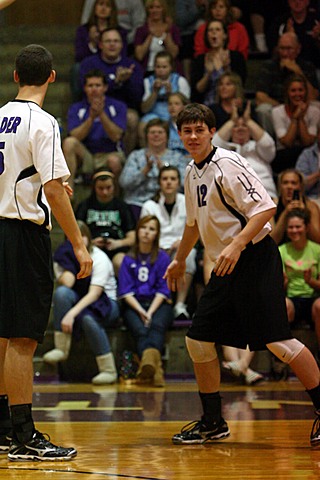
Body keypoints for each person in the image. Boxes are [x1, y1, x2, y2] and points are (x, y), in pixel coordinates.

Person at [164, 102, 320, 447]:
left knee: (279, 343)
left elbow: (266, 206)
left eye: (199, 130)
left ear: (211, 131)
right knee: (197, 340)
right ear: (179, 135)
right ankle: (213, 421)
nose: (192, 136)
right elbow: (192, 225)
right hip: (226, 262)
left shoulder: (228, 163)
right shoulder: (191, 172)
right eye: (186, 131)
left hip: (254, 258)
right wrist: (179, 260)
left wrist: (236, 244)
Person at [0, 44, 92, 461]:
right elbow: (54, 189)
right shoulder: (44, 122)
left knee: (2, 335)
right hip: (21, 235)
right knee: (22, 338)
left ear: (16, 76)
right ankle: (23, 435)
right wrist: (78, 243)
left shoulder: (0, 115)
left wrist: (36, 188)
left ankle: (4, 428)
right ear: (52, 78)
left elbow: (33, 180)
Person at [43, 220, 119, 384]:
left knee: (87, 319)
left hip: (106, 303)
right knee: (62, 293)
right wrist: (66, 259)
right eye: (72, 235)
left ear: (89, 238)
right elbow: (69, 283)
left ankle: (108, 370)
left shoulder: (99, 257)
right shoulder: (63, 256)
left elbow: (94, 294)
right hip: (80, 300)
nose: (78, 239)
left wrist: (71, 314)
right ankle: (61, 349)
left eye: (82, 235)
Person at [118, 215, 174, 387]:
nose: (146, 232)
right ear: (137, 231)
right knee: (141, 331)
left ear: (156, 234)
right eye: (143, 228)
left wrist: (150, 312)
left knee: (156, 327)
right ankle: (156, 371)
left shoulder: (163, 258)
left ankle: (149, 365)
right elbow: (125, 291)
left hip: (159, 303)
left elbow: (164, 289)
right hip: (134, 305)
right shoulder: (128, 259)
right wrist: (141, 311)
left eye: (151, 229)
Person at [141, 165, 197, 319]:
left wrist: (182, 242)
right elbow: (143, 234)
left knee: (190, 255)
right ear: (159, 182)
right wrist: (158, 248)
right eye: (165, 179)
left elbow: (196, 230)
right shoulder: (149, 206)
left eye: (173, 179)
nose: (169, 182)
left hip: (181, 248)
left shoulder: (188, 202)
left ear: (179, 182)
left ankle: (180, 305)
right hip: (155, 249)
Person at [79, 28, 144, 155]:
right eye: (108, 41)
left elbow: (137, 98)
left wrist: (126, 81)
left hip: (122, 108)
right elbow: (84, 90)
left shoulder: (132, 65)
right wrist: (115, 82)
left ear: (122, 45)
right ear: (101, 45)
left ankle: (125, 158)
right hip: (91, 105)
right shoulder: (88, 63)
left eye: (116, 41)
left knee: (132, 118)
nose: (112, 44)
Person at [63, 69, 127, 191]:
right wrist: (91, 118)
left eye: (98, 85)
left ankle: (116, 197)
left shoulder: (118, 106)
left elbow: (117, 136)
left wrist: (101, 114)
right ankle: (69, 190)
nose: (94, 89)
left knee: (114, 161)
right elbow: (74, 136)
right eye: (90, 86)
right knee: (69, 143)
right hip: (87, 155)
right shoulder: (76, 108)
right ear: (85, 88)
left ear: (105, 88)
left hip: (110, 152)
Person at [119, 118, 188, 221]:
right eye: (152, 132)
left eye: (160, 132)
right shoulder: (136, 156)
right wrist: (145, 171)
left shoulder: (177, 157)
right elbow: (124, 183)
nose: (156, 135)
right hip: (137, 204)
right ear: (146, 136)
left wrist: (165, 171)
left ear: (167, 136)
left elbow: (186, 184)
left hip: (168, 204)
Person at [255, 32, 319, 136]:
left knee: (317, 106)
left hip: (303, 108)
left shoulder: (307, 66)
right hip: (277, 107)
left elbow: (313, 97)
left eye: (289, 49)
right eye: (282, 49)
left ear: (298, 49)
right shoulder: (268, 66)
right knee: (263, 110)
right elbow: (260, 96)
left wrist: (298, 72)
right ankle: (270, 145)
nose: (285, 53)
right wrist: (283, 110)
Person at [212, 100, 278, 199]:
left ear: (250, 130)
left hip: (264, 196)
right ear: (230, 131)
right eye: (236, 126)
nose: (240, 129)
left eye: (244, 126)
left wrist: (249, 120)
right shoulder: (224, 150)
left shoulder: (257, 147)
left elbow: (268, 145)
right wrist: (232, 121)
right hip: (232, 201)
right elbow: (212, 145)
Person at [76, 170, 136, 275]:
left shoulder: (122, 206)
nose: (105, 192)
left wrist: (118, 243)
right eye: (101, 188)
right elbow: (75, 233)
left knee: (120, 262)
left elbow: (133, 237)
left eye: (108, 188)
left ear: (114, 187)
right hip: (90, 249)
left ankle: (122, 290)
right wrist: (91, 243)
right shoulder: (84, 206)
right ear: (94, 188)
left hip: (117, 248)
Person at [279, 210, 320, 336]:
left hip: (312, 298)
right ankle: (283, 353)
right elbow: (278, 288)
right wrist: (284, 282)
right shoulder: (281, 250)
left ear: (306, 227)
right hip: (291, 298)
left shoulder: (317, 250)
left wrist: (310, 281)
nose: (294, 230)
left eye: (298, 227)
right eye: (290, 227)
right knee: (283, 305)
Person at [191, 19, 247, 108]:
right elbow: (197, 90)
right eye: (210, 30)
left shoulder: (236, 57)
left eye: (217, 30)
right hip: (207, 105)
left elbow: (239, 85)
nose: (214, 33)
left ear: (224, 35)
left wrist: (226, 69)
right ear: (207, 36)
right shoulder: (200, 59)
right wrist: (208, 74)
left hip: (231, 105)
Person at [271, 73, 320, 175]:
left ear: (306, 92)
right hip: (284, 155)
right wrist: (294, 118)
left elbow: (308, 142)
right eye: (293, 91)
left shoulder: (314, 111)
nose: (297, 94)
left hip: (308, 154)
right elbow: (287, 142)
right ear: (287, 93)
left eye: (300, 90)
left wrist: (301, 117)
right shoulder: (277, 112)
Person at [139, 51, 191, 146]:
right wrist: (154, 92)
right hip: (154, 114)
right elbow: (144, 109)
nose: (161, 70)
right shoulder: (148, 81)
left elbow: (187, 105)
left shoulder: (180, 80)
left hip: (174, 114)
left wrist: (171, 94)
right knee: (142, 125)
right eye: (158, 67)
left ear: (171, 67)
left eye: (164, 67)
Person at [271, 169, 320, 245]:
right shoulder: (272, 205)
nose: (289, 187)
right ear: (280, 186)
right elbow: (272, 241)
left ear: (300, 186)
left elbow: (317, 240)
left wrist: (305, 214)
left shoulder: (311, 206)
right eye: (285, 183)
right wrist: (285, 213)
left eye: (293, 183)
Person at [134, 0, 181, 76]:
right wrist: (150, 35)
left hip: (169, 72)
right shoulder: (141, 31)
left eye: (158, 7)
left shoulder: (173, 29)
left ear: (164, 9)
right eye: (151, 7)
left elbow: (173, 54)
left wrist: (167, 32)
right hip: (148, 71)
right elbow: (139, 55)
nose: (154, 10)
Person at [81, 0, 146, 54]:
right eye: (100, 4)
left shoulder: (121, 32)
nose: (103, 8)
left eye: (107, 6)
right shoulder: (83, 30)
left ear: (112, 10)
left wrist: (120, 41)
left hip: (127, 45)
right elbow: (80, 56)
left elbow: (139, 25)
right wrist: (92, 43)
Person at [296, 127, 320, 202]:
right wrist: (318, 174)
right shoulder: (307, 154)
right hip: (313, 198)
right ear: (317, 135)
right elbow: (300, 185)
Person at [167, 92, 190, 156]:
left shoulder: (192, 127)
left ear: (184, 106)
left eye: (176, 104)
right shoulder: (164, 126)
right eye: (170, 104)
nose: (172, 107)